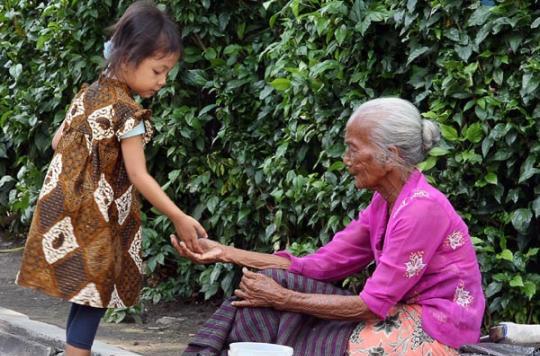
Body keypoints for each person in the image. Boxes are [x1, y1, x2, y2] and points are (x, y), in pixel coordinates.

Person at [173, 97, 485, 355]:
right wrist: (224, 252)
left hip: (438, 327)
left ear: (390, 155)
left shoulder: (420, 209)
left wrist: (282, 299)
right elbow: (319, 265)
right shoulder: (384, 203)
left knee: (295, 325)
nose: (346, 160)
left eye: (352, 148)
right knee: (268, 286)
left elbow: (372, 305)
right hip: (394, 311)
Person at [16, 2, 207, 355]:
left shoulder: (87, 94)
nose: (163, 80)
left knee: (87, 292)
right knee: (96, 292)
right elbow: (139, 175)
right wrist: (178, 216)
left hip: (67, 209)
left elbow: (59, 142)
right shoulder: (128, 113)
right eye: (158, 70)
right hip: (99, 217)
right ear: (128, 58)